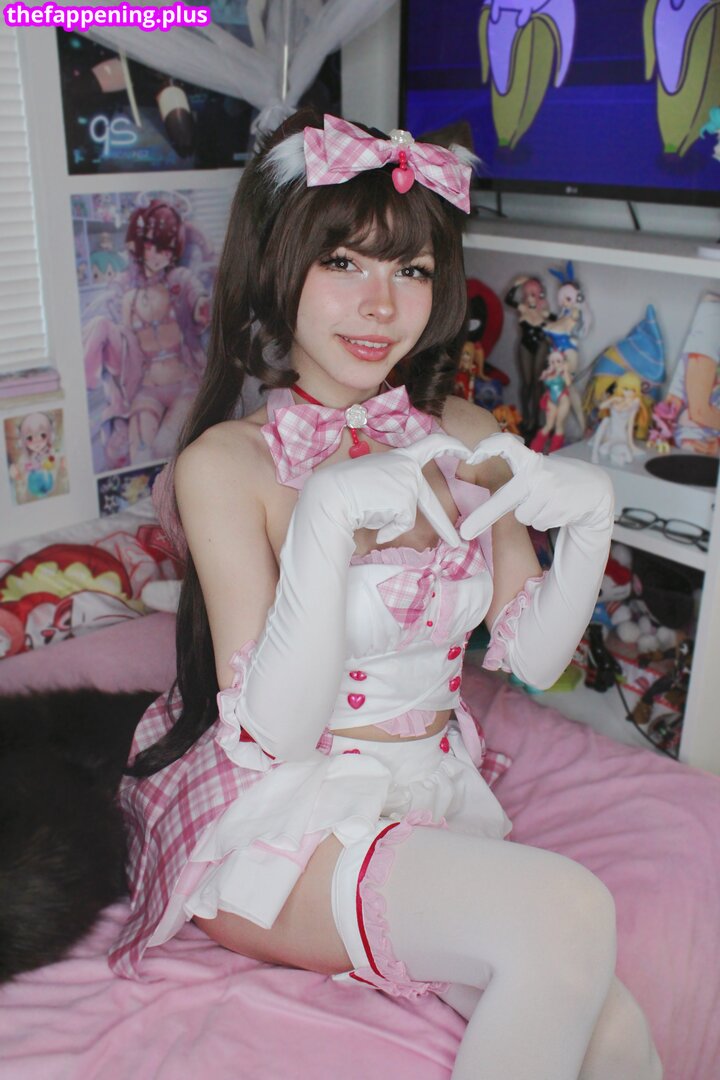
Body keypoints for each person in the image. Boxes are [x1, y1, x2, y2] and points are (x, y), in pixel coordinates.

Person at [113, 112, 662, 1080]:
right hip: (289, 816)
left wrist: (592, 523)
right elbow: (276, 735)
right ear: (278, 269)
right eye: (343, 263)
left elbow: (534, 661)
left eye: (410, 270)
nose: (380, 306)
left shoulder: (459, 428)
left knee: (616, 1032)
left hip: (428, 789)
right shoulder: (228, 465)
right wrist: (325, 522)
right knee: (569, 909)